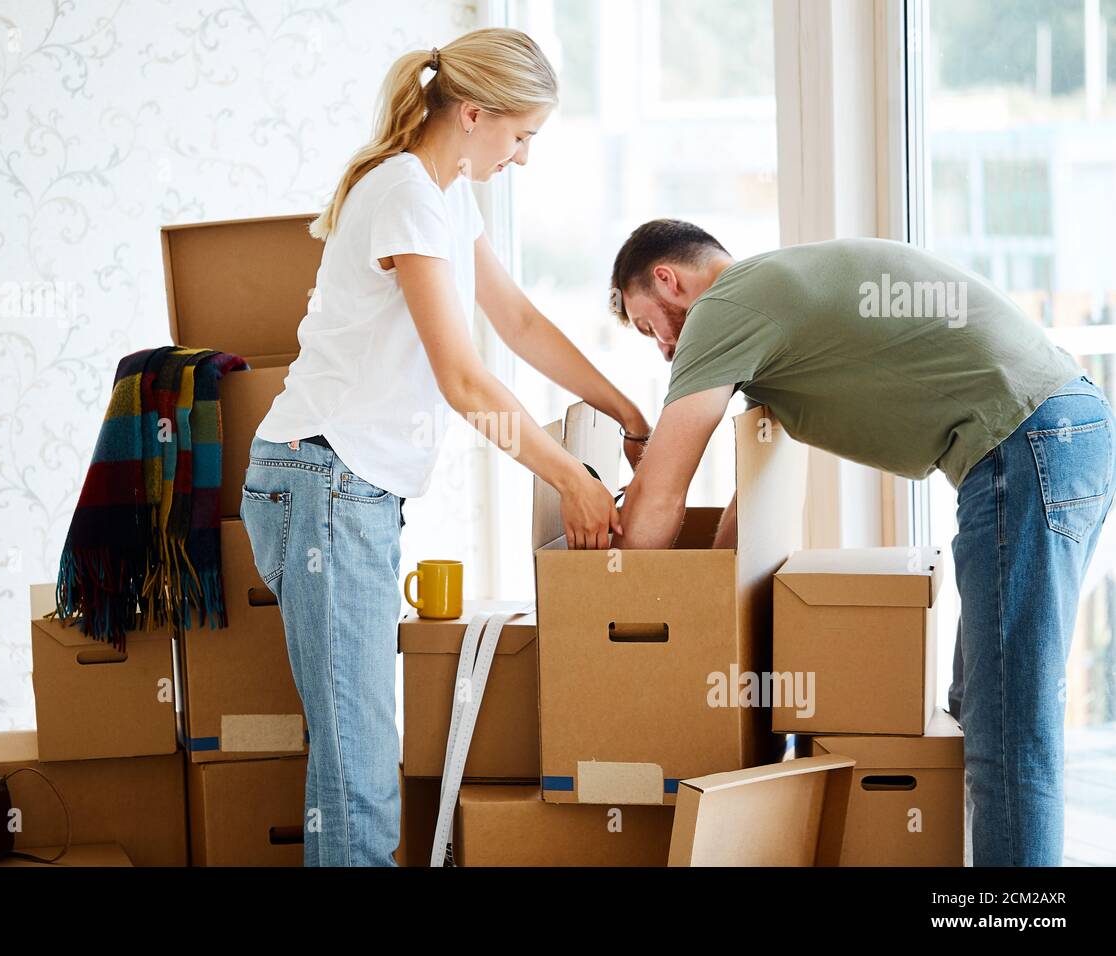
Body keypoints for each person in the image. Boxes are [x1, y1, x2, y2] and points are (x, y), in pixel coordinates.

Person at [240, 28, 645, 867]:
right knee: (358, 764)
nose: (525, 157)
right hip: (324, 480)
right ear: (472, 114)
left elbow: (520, 324)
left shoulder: (445, 192)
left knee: (354, 748)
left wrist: (625, 408)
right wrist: (570, 476)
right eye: (522, 135)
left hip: (346, 486)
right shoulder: (404, 195)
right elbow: (463, 382)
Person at [608, 218, 1114, 867]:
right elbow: (748, 510)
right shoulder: (778, 306)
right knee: (981, 712)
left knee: (1012, 734)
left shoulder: (724, 306)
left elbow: (657, 496)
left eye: (650, 326)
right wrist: (712, 613)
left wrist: (615, 628)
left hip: (1030, 444)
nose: (663, 348)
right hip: (1053, 436)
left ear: (666, 279)